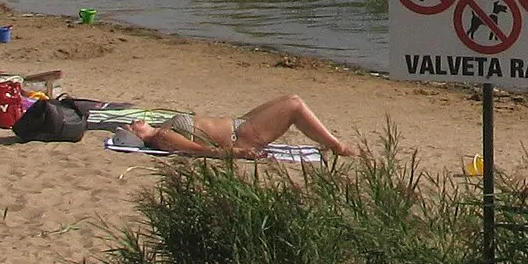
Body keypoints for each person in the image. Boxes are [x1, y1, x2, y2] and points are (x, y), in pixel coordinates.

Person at [125, 95, 359, 159]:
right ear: (136, 136)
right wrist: (237, 153)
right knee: (294, 105)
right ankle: (337, 146)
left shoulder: (161, 129)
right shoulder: (162, 137)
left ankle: (331, 143)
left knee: (290, 98)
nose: (132, 122)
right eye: (130, 127)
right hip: (242, 137)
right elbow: (198, 150)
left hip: (239, 124)